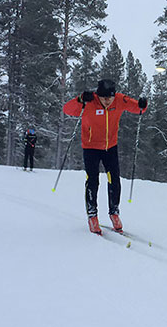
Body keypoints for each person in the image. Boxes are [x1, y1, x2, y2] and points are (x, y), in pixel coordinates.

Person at [63, 78, 147, 235]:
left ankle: (114, 212)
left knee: (114, 180)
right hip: (90, 147)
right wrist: (80, 99)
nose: (108, 101)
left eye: (110, 98)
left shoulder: (119, 100)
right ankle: (92, 215)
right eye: (104, 98)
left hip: (110, 147)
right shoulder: (89, 101)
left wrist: (143, 104)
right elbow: (67, 109)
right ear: (97, 95)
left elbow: (137, 107)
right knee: (92, 180)